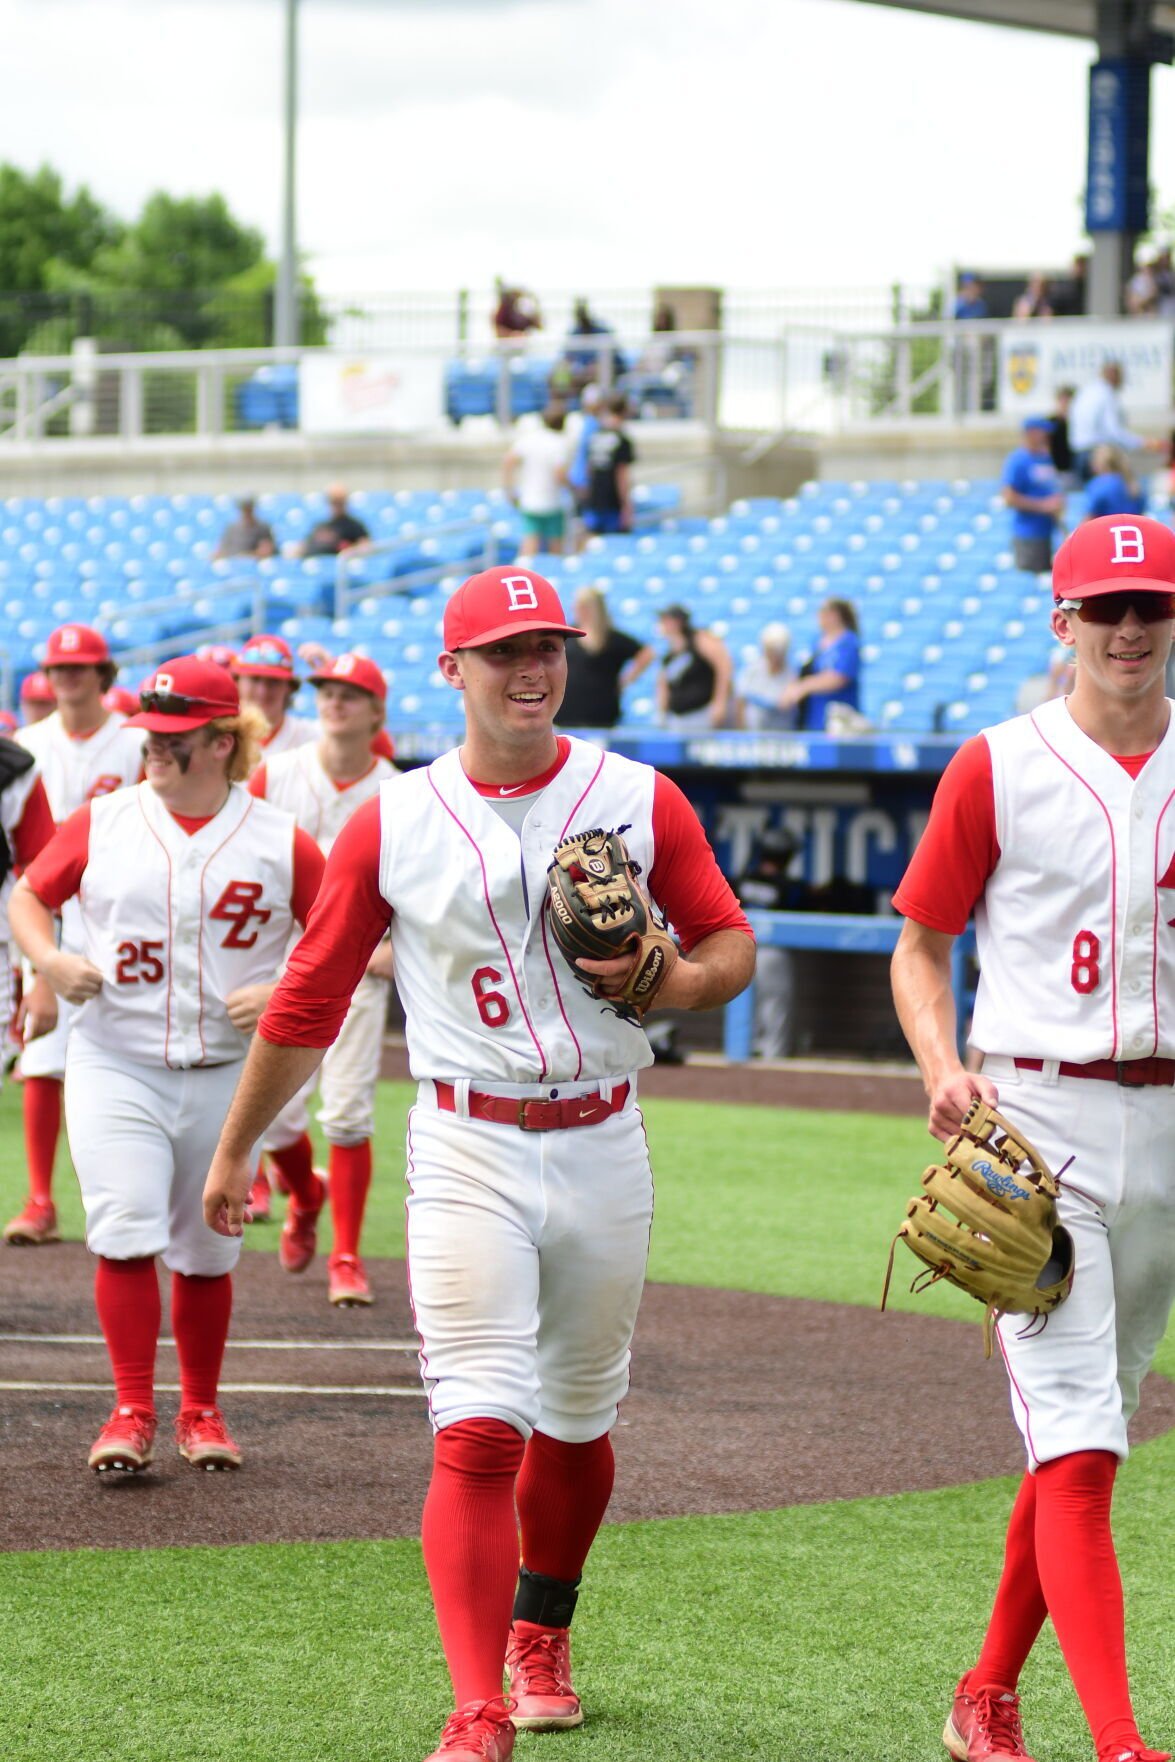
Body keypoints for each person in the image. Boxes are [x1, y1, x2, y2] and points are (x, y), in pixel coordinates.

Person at [202, 563, 755, 1762]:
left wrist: (681, 980)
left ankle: (541, 1624)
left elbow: (727, 941)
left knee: (576, 1418)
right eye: (503, 648)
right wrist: (241, 1141)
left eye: (545, 643)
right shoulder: (394, 820)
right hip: (465, 1141)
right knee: (477, 1425)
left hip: (605, 1131)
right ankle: (475, 1703)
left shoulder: (635, 793)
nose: (531, 665)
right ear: (450, 671)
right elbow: (309, 993)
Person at [889, 514, 1175, 1762]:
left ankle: (985, 1687)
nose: (1126, 627)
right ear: (1058, 621)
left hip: (1169, 1129)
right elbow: (919, 942)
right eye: (1102, 608)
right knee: (1076, 1442)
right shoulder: (996, 762)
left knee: (1090, 1430)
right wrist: (942, 1065)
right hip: (1038, 1127)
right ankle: (1119, 1743)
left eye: (1148, 606)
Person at [8, 656, 325, 1474]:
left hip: (227, 1069)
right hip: (116, 1060)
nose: (152, 746)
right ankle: (132, 1409)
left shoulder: (278, 839)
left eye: (173, 736)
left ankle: (202, 1411)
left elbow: (343, 935)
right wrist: (46, 959)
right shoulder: (104, 820)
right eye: (149, 730)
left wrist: (286, 984)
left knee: (208, 1246)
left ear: (224, 741)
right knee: (122, 1233)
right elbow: (28, 895)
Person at [248, 653, 397, 1306]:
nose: (334, 702)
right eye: (327, 691)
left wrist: (399, 953)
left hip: (361, 971)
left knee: (347, 1115)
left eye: (350, 693)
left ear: (376, 712)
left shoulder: (398, 791)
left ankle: (346, 1257)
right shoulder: (274, 775)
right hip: (284, 968)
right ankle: (306, 1195)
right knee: (274, 1118)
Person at [4, 625, 144, 1248]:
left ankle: (126, 1194)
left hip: (118, 907)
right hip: (44, 905)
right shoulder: (27, 745)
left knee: (130, 1050)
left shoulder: (133, 740)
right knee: (41, 1054)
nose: (68, 678)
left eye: (80, 667)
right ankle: (40, 1198)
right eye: (59, 669)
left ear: (103, 673)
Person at [554, 587, 655, 729]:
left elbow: (647, 654)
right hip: (567, 713)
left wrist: (625, 680)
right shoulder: (568, 635)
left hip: (602, 713)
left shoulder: (612, 638)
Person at [1069, 362, 1166, 482]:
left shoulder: (1087, 391)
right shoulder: (1106, 394)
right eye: (1121, 376)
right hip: (1097, 456)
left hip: (1079, 455)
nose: (1122, 381)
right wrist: (1142, 443)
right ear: (1114, 376)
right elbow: (1114, 431)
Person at [780, 598, 862, 731]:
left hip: (840, 717)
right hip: (816, 716)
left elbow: (839, 677)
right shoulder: (817, 642)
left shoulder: (848, 642)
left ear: (835, 615)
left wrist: (804, 686)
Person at [231, 634, 318, 757]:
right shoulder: (221, 737)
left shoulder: (310, 737)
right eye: (255, 679)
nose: (262, 691)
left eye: (273, 681)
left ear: (290, 687)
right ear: (237, 682)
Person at [502, 405, 571, 558]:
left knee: (530, 544)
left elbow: (508, 460)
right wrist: (573, 487)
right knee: (555, 546)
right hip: (552, 500)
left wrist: (509, 488)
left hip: (530, 499)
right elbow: (559, 473)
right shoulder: (559, 442)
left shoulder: (530, 438)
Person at [1002, 416, 1065, 574]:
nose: (1046, 436)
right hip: (1028, 533)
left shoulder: (1045, 458)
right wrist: (1043, 506)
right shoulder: (1018, 460)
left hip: (1048, 531)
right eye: (1042, 432)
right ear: (1031, 433)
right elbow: (1009, 497)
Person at [655, 604, 734, 730]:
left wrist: (720, 702)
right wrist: (662, 711)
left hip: (702, 712)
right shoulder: (670, 652)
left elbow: (724, 666)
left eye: (665, 620)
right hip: (679, 718)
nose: (661, 624)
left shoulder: (700, 640)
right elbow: (664, 683)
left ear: (677, 622)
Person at [581, 393, 635, 537]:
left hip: (594, 499)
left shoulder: (595, 435)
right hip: (612, 502)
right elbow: (621, 475)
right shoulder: (621, 439)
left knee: (593, 543)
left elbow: (588, 469)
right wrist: (626, 506)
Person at [734, 622, 798, 730]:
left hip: (781, 734)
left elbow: (789, 704)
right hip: (753, 734)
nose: (775, 655)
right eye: (771, 649)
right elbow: (740, 700)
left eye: (778, 650)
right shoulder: (752, 670)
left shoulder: (792, 674)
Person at [299, 485, 371, 559]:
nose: (336, 506)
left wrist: (350, 550)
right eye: (333, 502)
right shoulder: (320, 526)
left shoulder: (354, 526)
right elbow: (304, 546)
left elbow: (365, 547)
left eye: (340, 502)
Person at [1085, 444, 1147, 521]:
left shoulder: (1099, 484)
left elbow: (1089, 517)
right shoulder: (1134, 484)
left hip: (1106, 531)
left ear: (1097, 463)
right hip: (1130, 530)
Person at [214, 496, 276, 561]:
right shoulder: (231, 529)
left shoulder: (263, 528)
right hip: (234, 565)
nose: (246, 512)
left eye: (249, 509)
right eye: (244, 509)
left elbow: (265, 551)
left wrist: (245, 556)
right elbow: (221, 551)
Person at [1049, 386, 1077, 485]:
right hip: (1055, 468)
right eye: (1062, 400)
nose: (1065, 404)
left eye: (1068, 401)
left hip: (1072, 469)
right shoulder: (1050, 423)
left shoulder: (1077, 424)